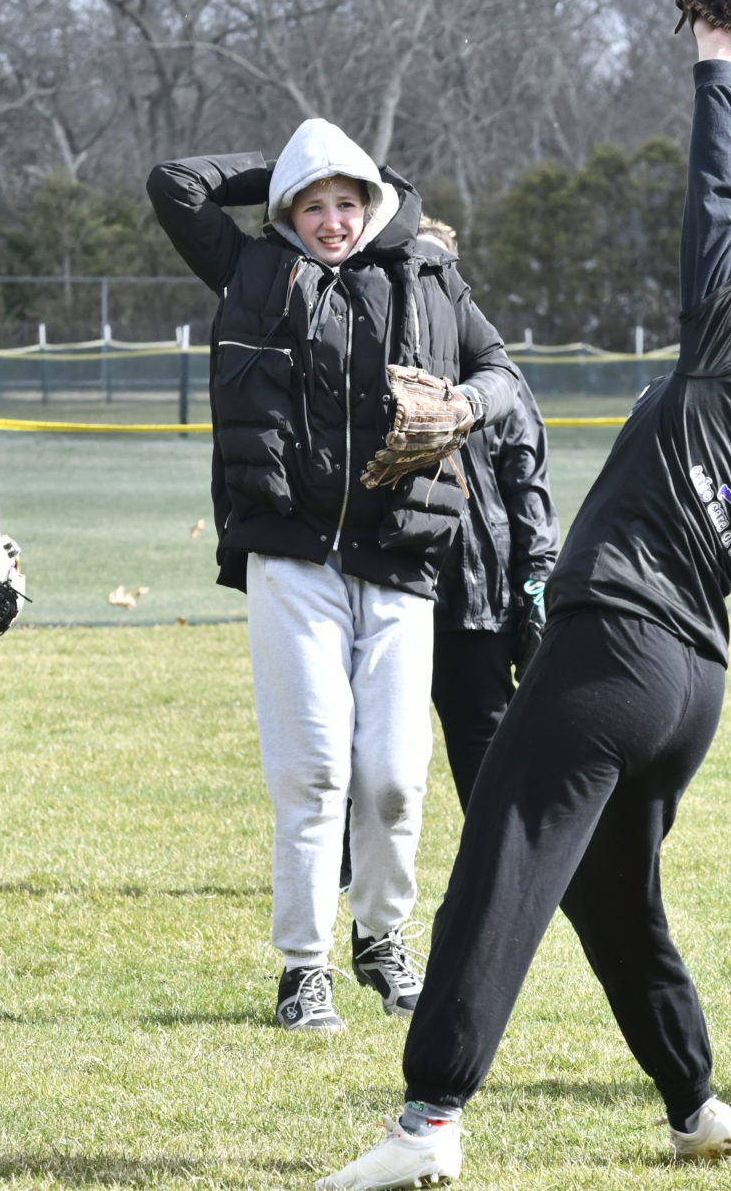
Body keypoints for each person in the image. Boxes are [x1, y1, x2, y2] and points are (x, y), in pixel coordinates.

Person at [319, 16, 731, 1191]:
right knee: (607, 894)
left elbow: (717, 202)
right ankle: (693, 1103)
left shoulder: (730, 362)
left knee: (498, 864)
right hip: (686, 691)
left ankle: (429, 1120)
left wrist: (713, 60)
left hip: (611, 659)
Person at [149, 120, 523, 1034]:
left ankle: (382, 939)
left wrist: (469, 402)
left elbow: (503, 372)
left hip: (399, 560)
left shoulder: (430, 276)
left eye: (347, 199)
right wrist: (288, 162)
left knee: (395, 778)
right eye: (311, 203)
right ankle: (302, 966)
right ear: (286, 210)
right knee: (313, 771)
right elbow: (175, 183)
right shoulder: (252, 270)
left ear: (375, 203)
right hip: (293, 554)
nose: (330, 218)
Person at [416, 218, 557, 808]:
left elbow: (527, 482)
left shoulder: (495, 375)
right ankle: (345, 862)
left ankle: (500, 862)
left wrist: (537, 577)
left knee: (480, 733)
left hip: (476, 585)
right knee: (362, 735)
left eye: (440, 268)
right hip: (396, 577)